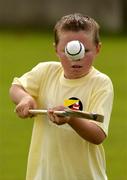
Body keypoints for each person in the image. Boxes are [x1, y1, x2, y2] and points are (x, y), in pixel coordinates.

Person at [9, 13, 114, 180]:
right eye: (68, 51)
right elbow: (16, 87)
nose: (76, 58)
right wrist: (25, 99)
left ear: (98, 49)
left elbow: (98, 135)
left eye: (85, 50)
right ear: (56, 50)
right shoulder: (45, 72)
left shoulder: (100, 83)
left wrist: (71, 118)